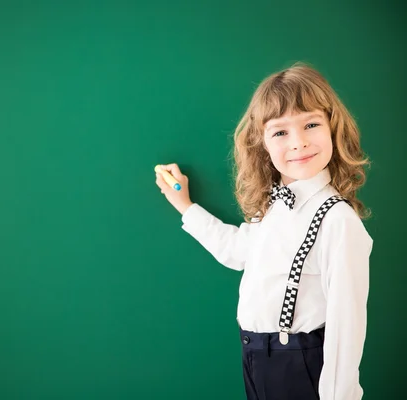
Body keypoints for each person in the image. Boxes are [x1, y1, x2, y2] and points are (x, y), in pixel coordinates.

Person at [155, 62, 373, 400]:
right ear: (263, 145)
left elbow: (346, 330)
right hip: (256, 358)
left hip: (300, 366)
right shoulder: (272, 209)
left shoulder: (338, 221)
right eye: (281, 132)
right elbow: (238, 252)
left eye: (311, 124)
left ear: (333, 128)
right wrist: (186, 206)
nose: (298, 143)